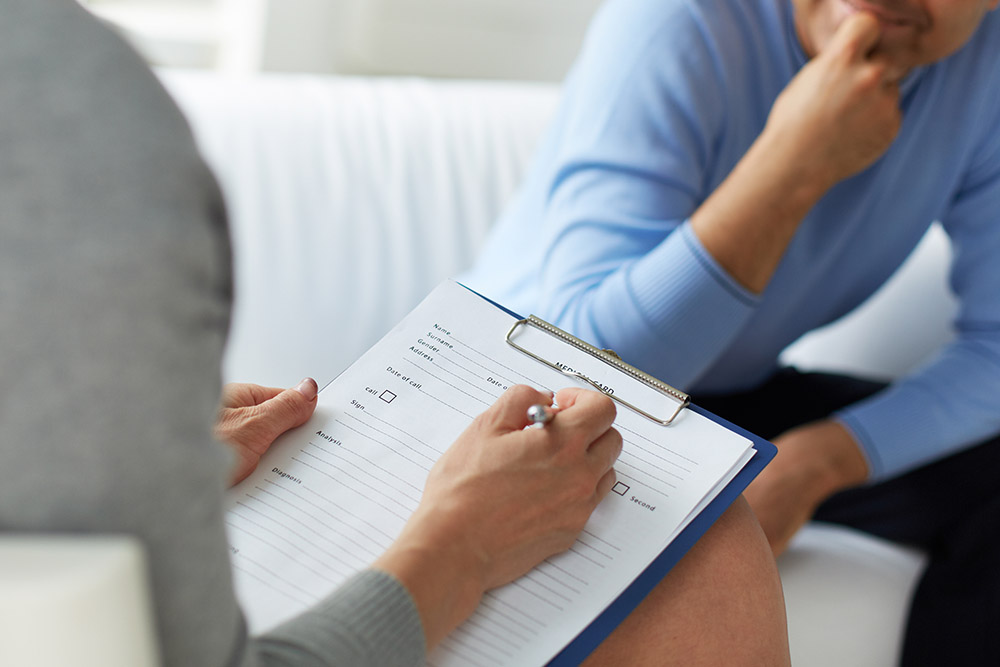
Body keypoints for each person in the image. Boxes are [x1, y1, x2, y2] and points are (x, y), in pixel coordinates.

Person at [0, 2, 789, 665]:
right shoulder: (67, 117)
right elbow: (606, 347)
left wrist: (130, 460)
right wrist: (464, 544)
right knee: (707, 557)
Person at [462, 0, 1000, 663]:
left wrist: (821, 460)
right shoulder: (677, 21)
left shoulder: (986, 66)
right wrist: (792, 166)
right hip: (523, 397)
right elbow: (587, 369)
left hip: (717, 397)